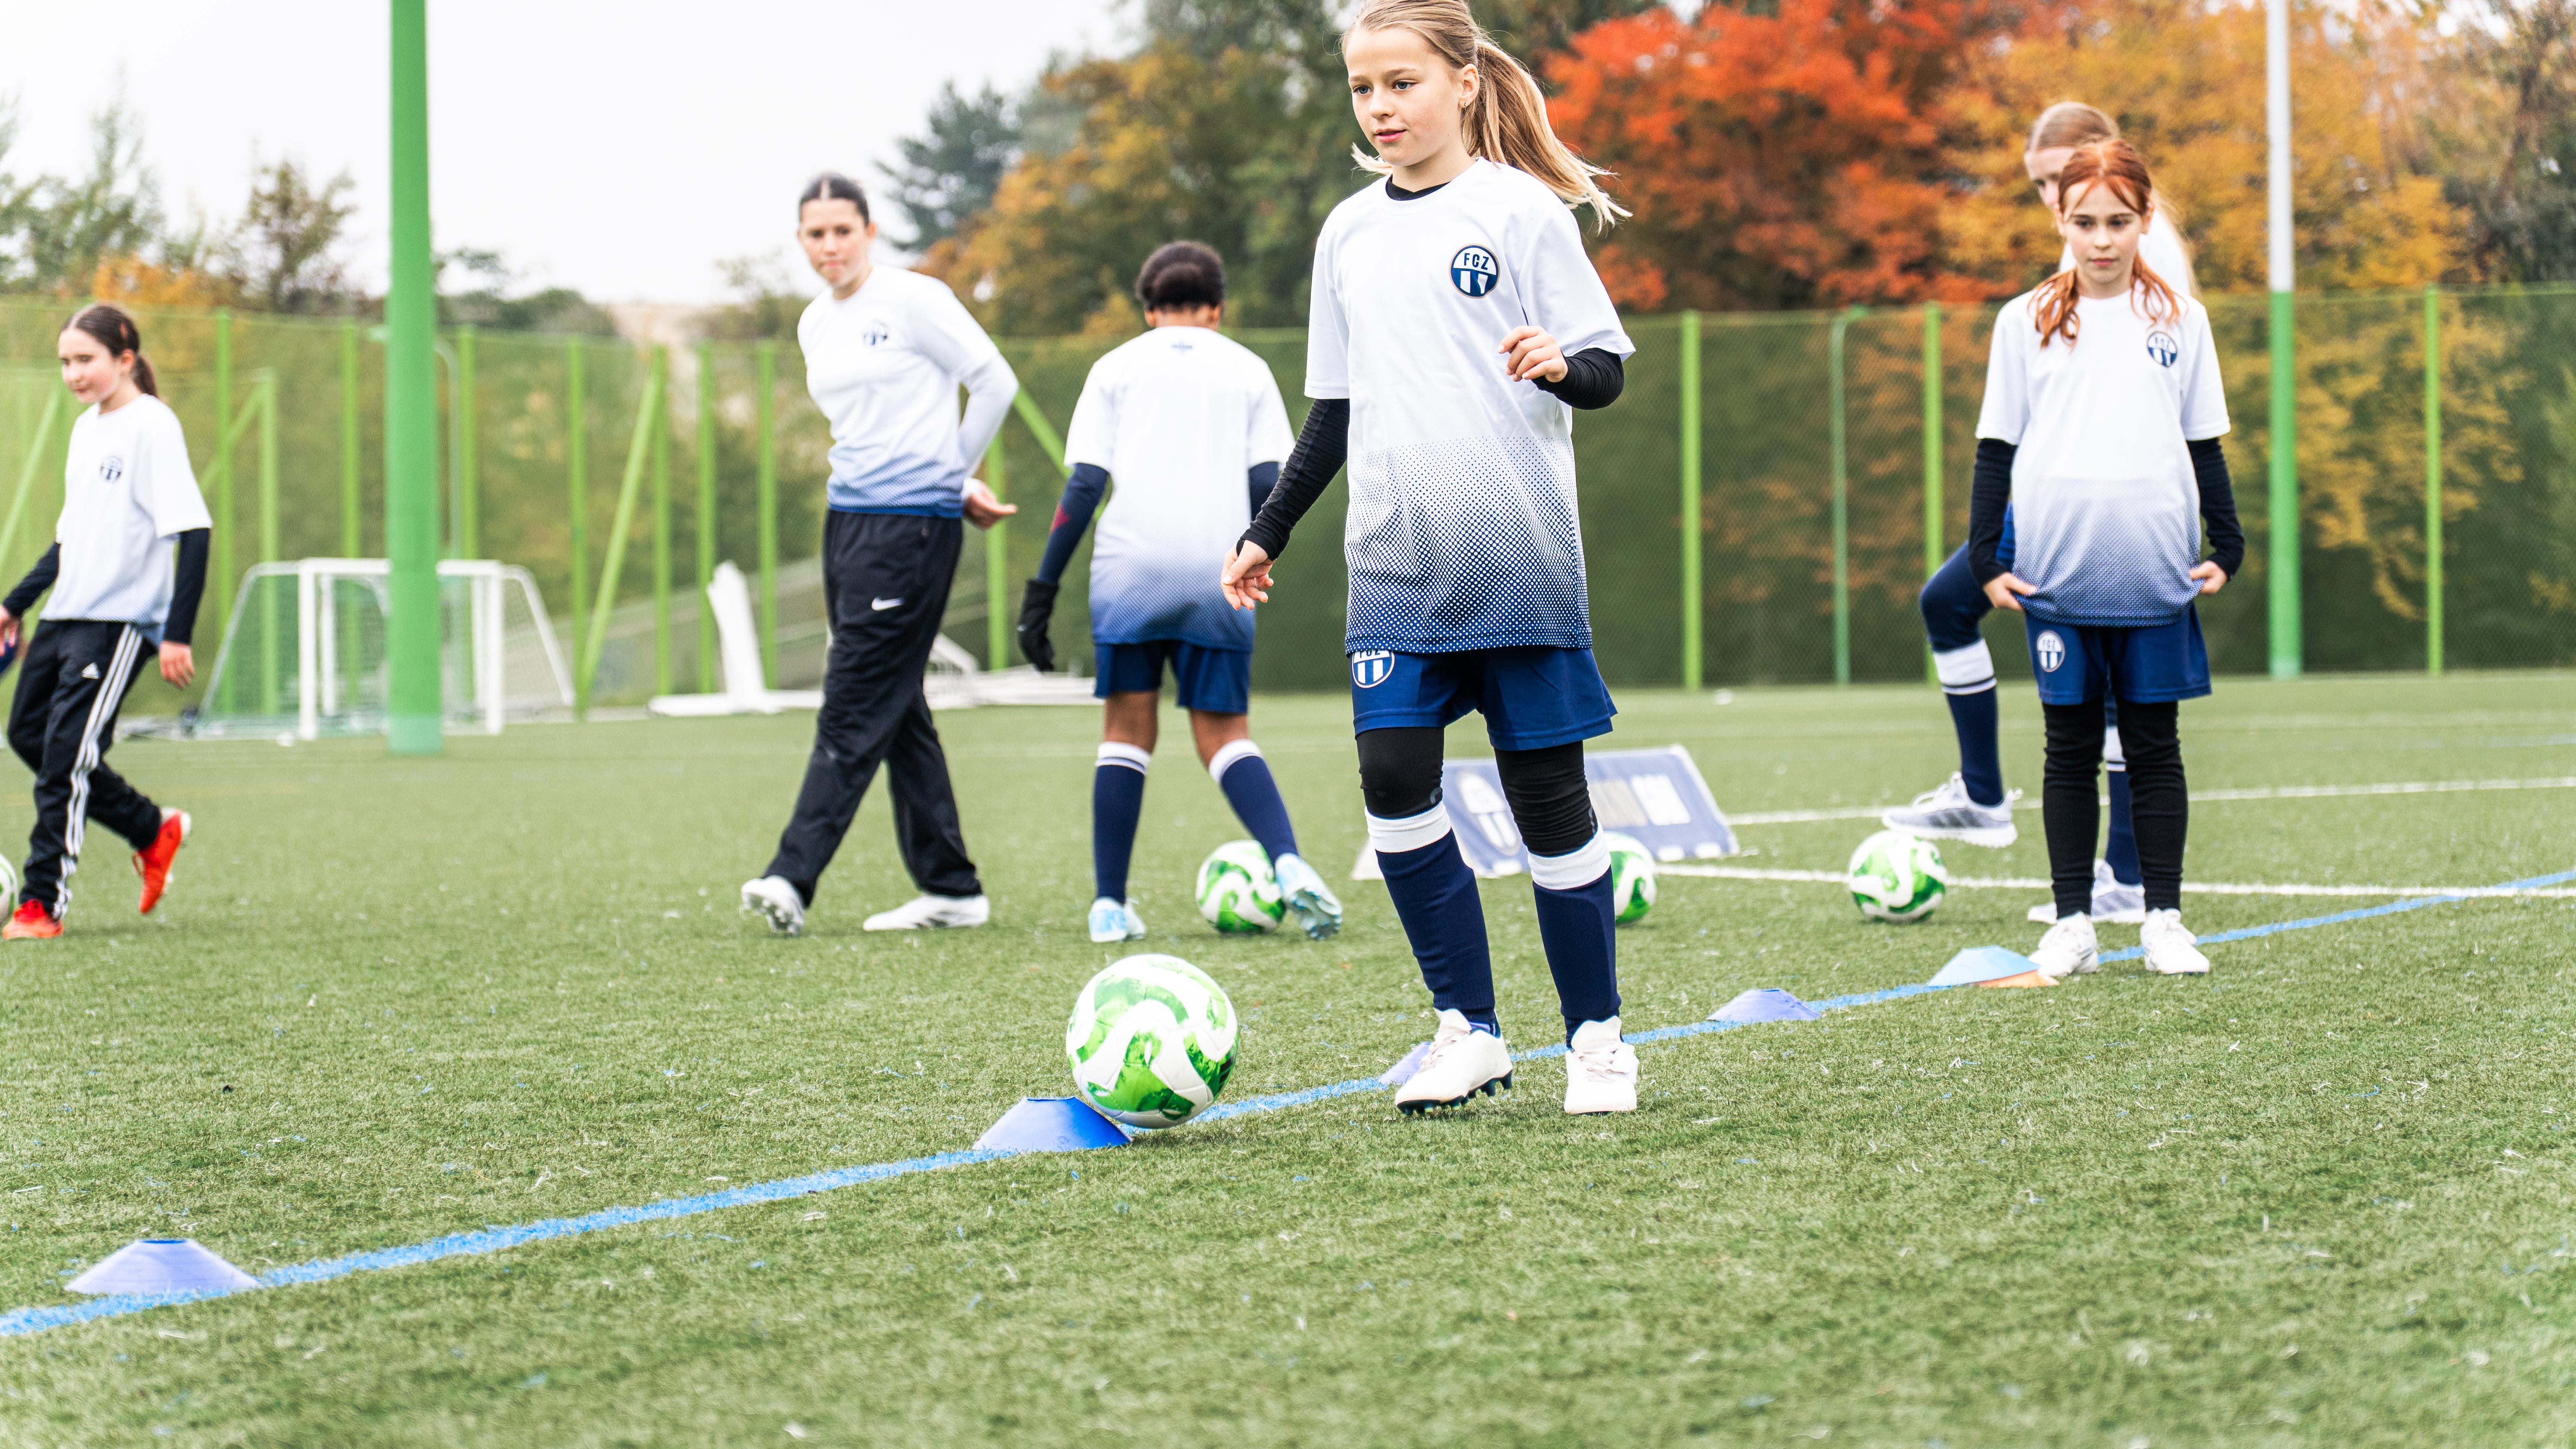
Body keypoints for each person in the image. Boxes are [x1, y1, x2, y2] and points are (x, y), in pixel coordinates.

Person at [1218, 0, 1638, 1115]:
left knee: (1547, 797)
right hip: (1395, 565)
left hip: (1519, 562)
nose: (1381, 106)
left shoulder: (1520, 211)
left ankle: (1596, 1042)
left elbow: (1605, 370)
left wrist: (1560, 365)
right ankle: (1469, 1030)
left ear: (1461, 81)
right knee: (1393, 781)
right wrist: (1269, 530)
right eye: (1363, 88)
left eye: (1401, 82)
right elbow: (1332, 414)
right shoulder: (1347, 234)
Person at [1883, 101, 2198, 928]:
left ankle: (2099, 859)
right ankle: (2025, 817)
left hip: (2093, 503)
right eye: (2042, 188)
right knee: (1955, 609)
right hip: (2065, 491)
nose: (2051, 201)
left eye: (2054, 181)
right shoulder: (2089, 241)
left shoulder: (2135, 247)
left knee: (2097, 684)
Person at [1016, 242, 1344, 944]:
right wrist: (1259, 554)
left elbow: (1083, 488)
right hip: (1215, 572)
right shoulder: (1248, 370)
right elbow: (1269, 486)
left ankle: (1110, 906)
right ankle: (1287, 863)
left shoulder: (1115, 368)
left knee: (1126, 737)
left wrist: (1043, 588)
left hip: (1129, 574)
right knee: (1225, 736)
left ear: (1147, 309)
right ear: (1217, 309)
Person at [1966, 139, 2240, 979]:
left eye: (2119, 222)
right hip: (2057, 571)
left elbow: (2203, 446)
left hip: (2154, 573)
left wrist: (2228, 541)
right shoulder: (2024, 321)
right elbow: (1995, 448)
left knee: (2155, 745)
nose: (2102, 239)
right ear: (2061, 220)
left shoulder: (2181, 321)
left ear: (2144, 221)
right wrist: (1984, 555)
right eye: (2084, 222)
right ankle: (2075, 922)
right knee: (2068, 746)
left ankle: (2163, 918)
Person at [740, 174, 1018, 938]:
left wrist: (951, 478)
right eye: (814, 234)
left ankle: (793, 875)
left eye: (841, 230)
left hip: (912, 530)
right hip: (849, 523)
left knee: (854, 697)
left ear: (869, 230)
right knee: (895, 703)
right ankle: (951, 889)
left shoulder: (914, 300)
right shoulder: (813, 324)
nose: (828, 246)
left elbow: (994, 383)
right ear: (801, 241)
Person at [0, 305, 208, 940]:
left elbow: (193, 530)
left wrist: (176, 633)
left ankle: (41, 904)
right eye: (65, 361)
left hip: (118, 623)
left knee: (66, 755)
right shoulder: (88, 430)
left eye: (84, 360)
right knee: (29, 736)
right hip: (66, 614)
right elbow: (70, 540)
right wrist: (14, 604)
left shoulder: (153, 426)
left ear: (124, 358)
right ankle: (152, 829)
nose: (73, 374)